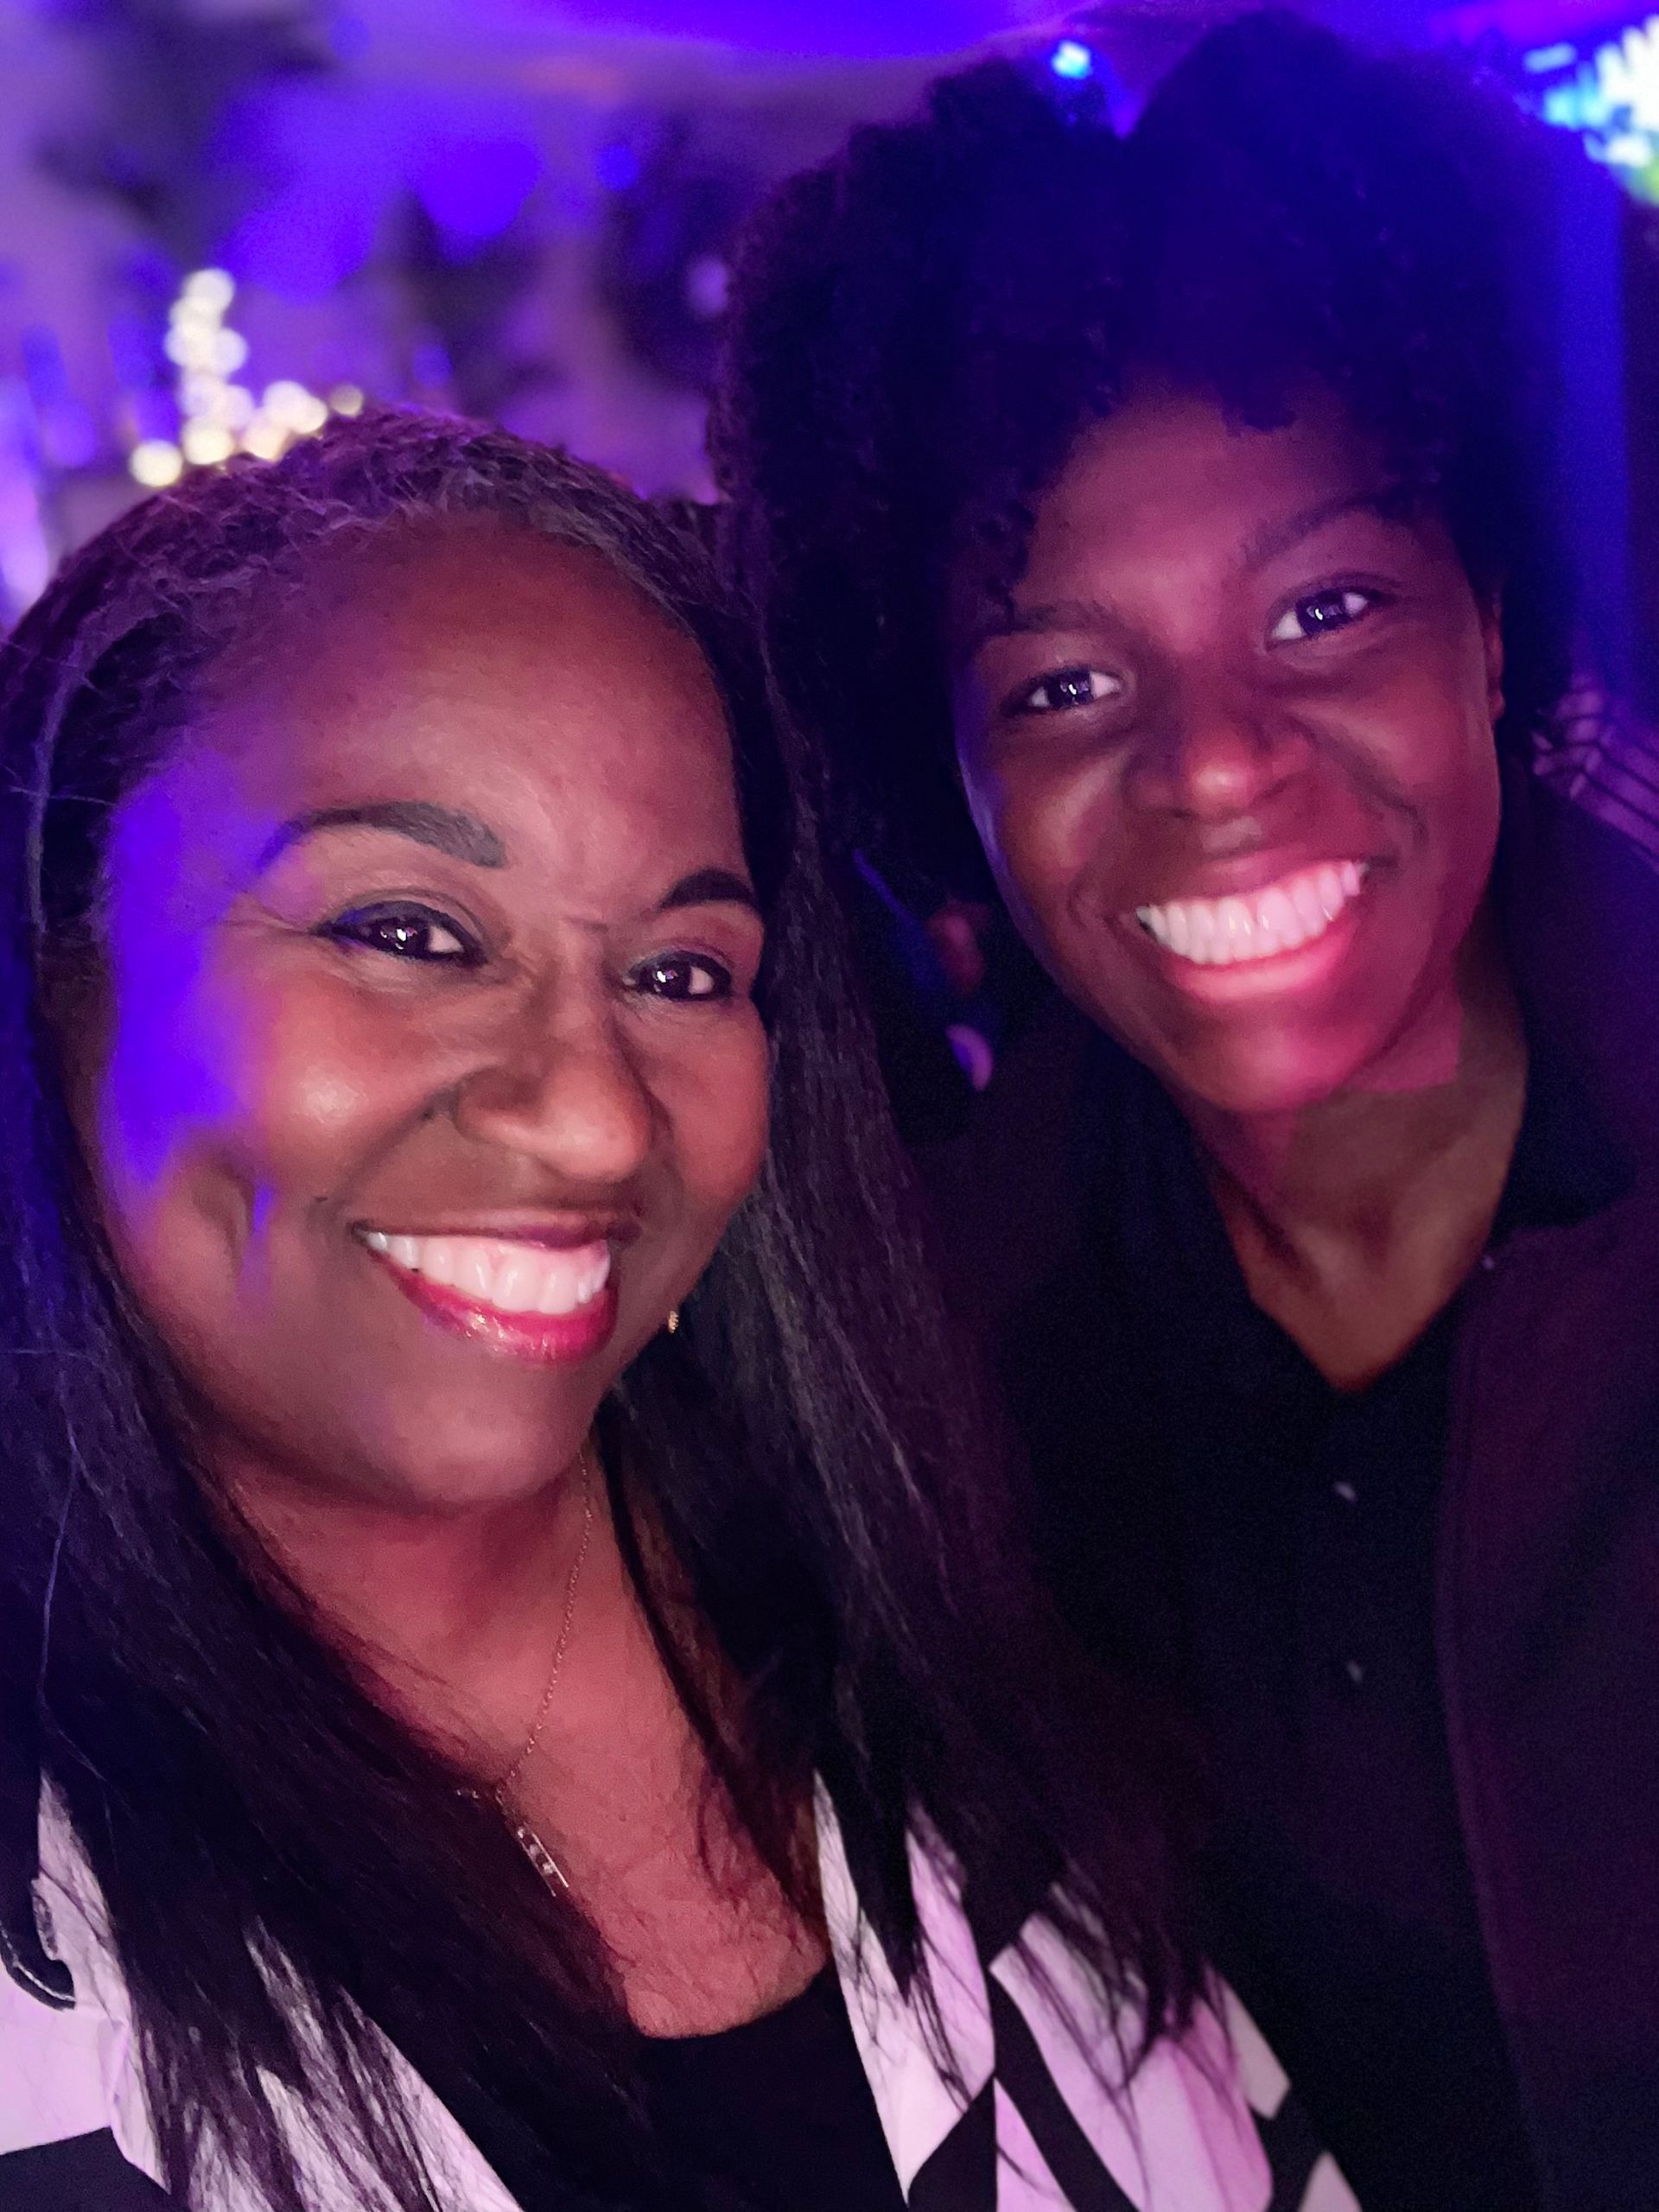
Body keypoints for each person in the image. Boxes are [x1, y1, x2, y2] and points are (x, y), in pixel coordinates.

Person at [0, 410, 1339, 2212]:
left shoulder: (926, 1641)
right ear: (53, 965)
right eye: (407, 928)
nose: (602, 1114)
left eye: (679, 969)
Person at [715, 15, 1659, 2211]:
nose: (1216, 761)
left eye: (1326, 608)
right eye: (1062, 682)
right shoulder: (922, 1386)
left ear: (1492, 629)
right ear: (940, 764)